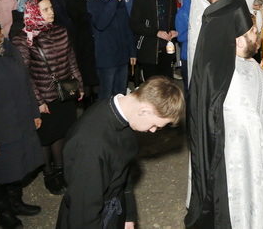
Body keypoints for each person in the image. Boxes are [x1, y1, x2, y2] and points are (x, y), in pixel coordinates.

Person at [187, 0, 263, 228]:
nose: (257, 35)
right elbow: (260, 129)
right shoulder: (238, 87)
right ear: (237, 41)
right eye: (252, 32)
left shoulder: (218, 69)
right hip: (249, 172)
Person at [57, 76, 184, 229]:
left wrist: (128, 214)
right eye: (155, 125)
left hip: (113, 209)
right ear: (144, 111)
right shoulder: (90, 146)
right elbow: (84, 212)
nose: (153, 130)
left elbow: (123, 171)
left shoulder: (124, 116)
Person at [12, 0, 84, 196]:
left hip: (64, 93)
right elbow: (24, 75)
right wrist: (38, 101)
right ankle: (49, 173)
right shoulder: (24, 38)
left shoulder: (60, 31)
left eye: (51, 8)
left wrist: (79, 84)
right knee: (45, 138)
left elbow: (71, 60)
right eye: (45, 9)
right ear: (34, 12)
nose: (51, 12)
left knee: (61, 134)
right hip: (43, 97)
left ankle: (61, 171)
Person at [0, 12, 43, 228]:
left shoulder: (10, 50)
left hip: (20, 122)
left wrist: (34, 112)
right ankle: (3, 212)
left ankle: (16, 203)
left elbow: (27, 84)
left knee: (19, 164)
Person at [89, 0, 137, 101]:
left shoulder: (118, 0)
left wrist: (132, 52)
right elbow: (101, 24)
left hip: (122, 56)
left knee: (120, 95)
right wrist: (113, 2)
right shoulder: (94, 2)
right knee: (106, 96)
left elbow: (128, 28)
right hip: (107, 59)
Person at [130, 0, 178, 80]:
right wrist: (156, 32)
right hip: (149, 49)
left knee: (166, 84)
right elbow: (134, 24)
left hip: (167, 47)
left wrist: (174, 31)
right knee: (151, 85)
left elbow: (173, 18)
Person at [66, 0, 99, 106]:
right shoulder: (74, 0)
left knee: (96, 72)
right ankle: (86, 103)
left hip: (96, 40)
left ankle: (97, 103)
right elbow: (77, 20)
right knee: (85, 71)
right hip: (82, 41)